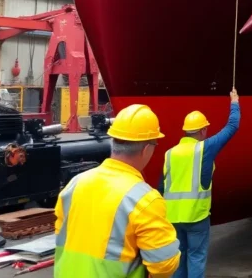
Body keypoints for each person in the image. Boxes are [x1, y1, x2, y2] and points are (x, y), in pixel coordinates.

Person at [54, 104, 180, 278]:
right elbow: (164, 264)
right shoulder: (145, 199)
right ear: (146, 149)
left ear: (112, 142)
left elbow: (61, 231)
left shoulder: (76, 183)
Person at [160, 88, 241, 278]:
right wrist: (234, 102)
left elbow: (161, 186)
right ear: (203, 130)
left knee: (178, 258)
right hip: (197, 216)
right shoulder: (205, 148)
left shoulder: (169, 153)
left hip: (173, 218)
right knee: (196, 257)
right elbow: (232, 126)